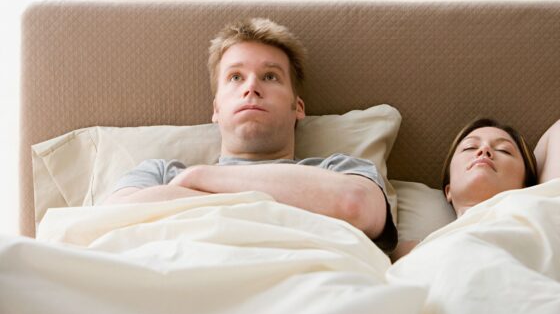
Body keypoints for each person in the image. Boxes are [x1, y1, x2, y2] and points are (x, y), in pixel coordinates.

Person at [103, 17, 397, 253]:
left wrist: (200, 179)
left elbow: (354, 205)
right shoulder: (159, 173)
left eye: (270, 76)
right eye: (235, 77)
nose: (251, 87)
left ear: (297, 107)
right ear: (216, 108)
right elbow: (109, 221)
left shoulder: (340, 170)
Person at [391, 116, 560, 260]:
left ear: (526, 184)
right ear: (448, 190)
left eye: (504, 150)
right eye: (470, 147)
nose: (483, 150)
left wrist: (531, 187)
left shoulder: (546, 208)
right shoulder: (421, 250)